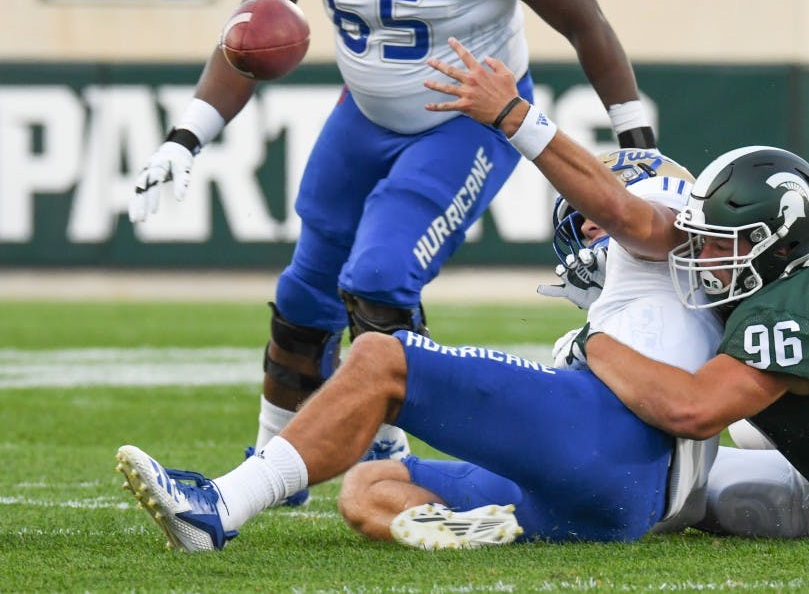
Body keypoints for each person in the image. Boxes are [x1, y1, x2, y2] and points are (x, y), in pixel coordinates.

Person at [125, 0, 660, 502]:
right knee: (305, 294)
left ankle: (388, 441)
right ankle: (273, 452)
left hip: (464, 121)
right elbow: (248, 35)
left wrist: (640, 146)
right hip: (362, 116)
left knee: (379, 278)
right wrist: (185, 138)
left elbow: (585, 21)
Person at [417, 38, 809, 537]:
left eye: (728, 245)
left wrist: (594, 343)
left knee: (700, 497)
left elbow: (691, 410)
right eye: (709, 237)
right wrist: (520, 121)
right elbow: (639, 223)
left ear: (782, 246)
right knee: (751, 425)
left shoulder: (794, 314)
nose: (706, 256)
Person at [116, 147, 724, 551]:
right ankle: (477, 538)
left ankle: (220, 506)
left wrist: (517, 118)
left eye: (593, 212)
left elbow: (630, 216)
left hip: (616, 446)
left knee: (384, 357)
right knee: (369, 486)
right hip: (614, 506)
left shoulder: (670, 233)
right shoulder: (661, 296)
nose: (589, 227)